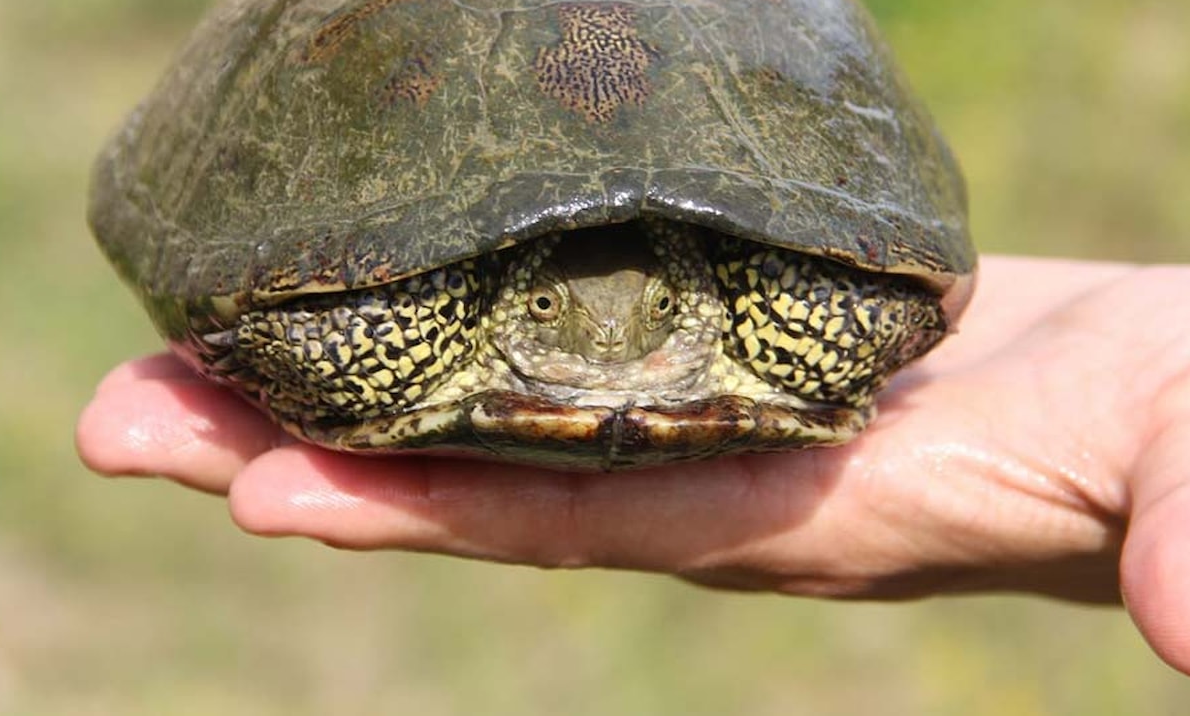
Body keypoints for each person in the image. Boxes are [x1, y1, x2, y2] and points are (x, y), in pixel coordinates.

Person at [78, 256, 1190, 674]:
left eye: (655, 310)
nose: (609, 341)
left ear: (684, 293)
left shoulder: (752, 318)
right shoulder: (438, 324)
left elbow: (889, 298)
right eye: (557, 312)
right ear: (522, 297)